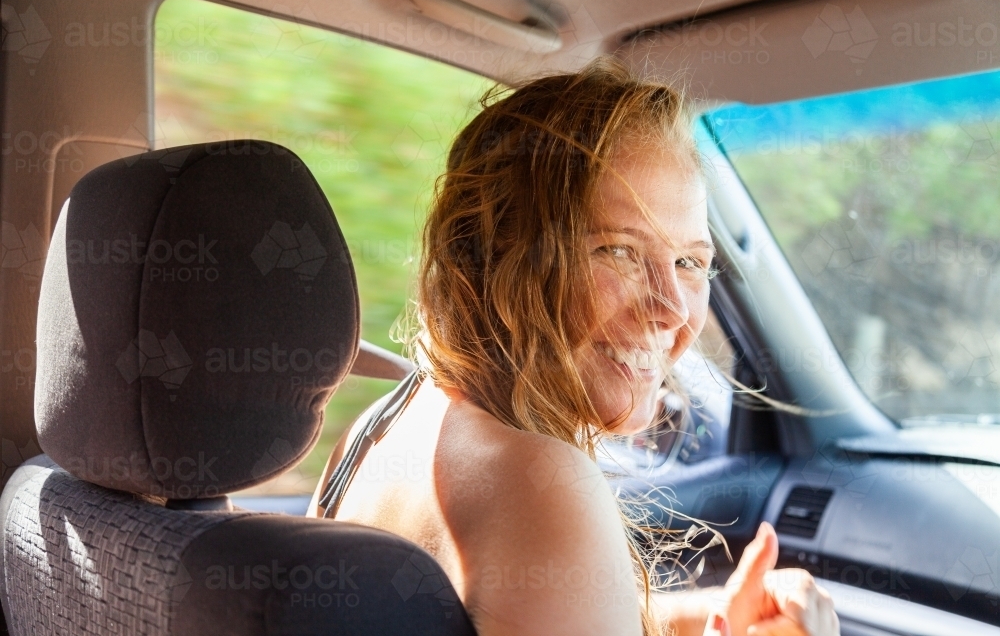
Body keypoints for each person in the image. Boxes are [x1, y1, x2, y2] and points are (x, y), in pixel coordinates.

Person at [309, 57, 838, 636]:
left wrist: (703, 619)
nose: (673, 309)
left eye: (689, 262)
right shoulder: (541, 486)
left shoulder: (376, 430)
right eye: (617, 251)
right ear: (492, 257)